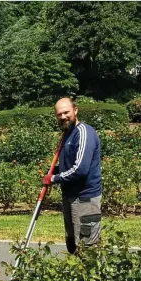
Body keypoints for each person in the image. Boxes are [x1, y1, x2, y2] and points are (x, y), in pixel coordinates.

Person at [42, 97, 102, 254]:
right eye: (59, 114)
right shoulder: (68, 134)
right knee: (72, 243)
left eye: (66, 112)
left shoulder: (83, 133)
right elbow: (69, 164)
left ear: (75, 110)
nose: (63, 117)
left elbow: (80, 169)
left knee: (87, 247)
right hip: (70, 197)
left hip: (85, 199)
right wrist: (54, 170)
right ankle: (75, 277)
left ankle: (92, 278)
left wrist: (54, 178)